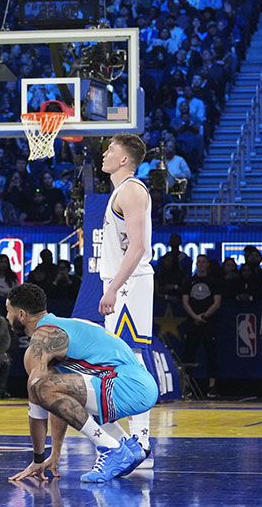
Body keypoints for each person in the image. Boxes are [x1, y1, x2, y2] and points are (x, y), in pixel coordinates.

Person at [6, 284, 155, 483]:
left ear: (22, 314)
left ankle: (111, 448)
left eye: (8, 311)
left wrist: (37, 458)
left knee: (40, 386)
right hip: (136, 383)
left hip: (126, 385)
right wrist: (55, 453)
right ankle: (126, 446)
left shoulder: (42, 340)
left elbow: (38, 400)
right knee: (50, 384)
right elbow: (58, 403)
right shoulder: (63, 325)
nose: (7, 317)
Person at [96, 133, 158, 467]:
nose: (104, 154)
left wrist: (112, 288)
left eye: (111, 150)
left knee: (130, 361)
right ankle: (133, 440)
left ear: (124, 160)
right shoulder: (121, 191)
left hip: (130, 284)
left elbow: (138, 248)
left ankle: (142, 439)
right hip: (123, 283)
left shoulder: (132, 189)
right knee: (120, 363)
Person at [182, 254, 222, 398]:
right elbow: (185, 301)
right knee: (188, 353)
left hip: (208, 322)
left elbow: (217, 302)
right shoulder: (189, 281)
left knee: (211, 353)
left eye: (203, 262)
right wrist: (195, 316)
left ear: (207, 265)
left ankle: (212, 387)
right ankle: (186, 386)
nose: (201, 264)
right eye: (198, 262)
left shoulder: (213, 282)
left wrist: (204, 316)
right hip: (193, 322)